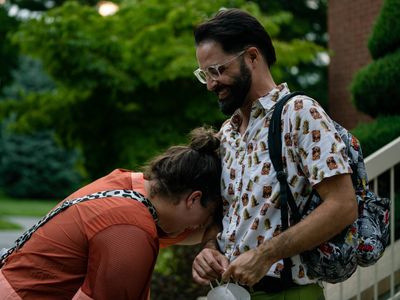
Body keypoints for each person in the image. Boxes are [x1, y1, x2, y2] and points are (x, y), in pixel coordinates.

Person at [191, 8, 358, 299]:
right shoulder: (227, 133)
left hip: (290, 292)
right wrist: (208, 249)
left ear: (252, 57)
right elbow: (223, 214)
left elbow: (343, 205)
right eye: (204, 74)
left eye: (217, 70)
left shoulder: (299, 113)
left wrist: (266, 255)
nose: (210, 84)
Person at [0, 126, 222, 300]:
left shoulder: (126, 185)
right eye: (208, 216)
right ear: (193, 198)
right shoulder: (130, 231)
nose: (199, 227)